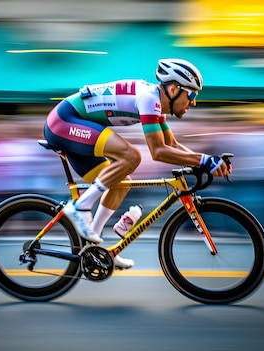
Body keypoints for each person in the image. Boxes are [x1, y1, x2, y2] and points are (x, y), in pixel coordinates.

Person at [43, 58, 232, 269]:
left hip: (75, 126)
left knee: (121, 181)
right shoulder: (149, 99)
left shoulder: (157, 103)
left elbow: (171, 143)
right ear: (173, 88)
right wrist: (204, 160)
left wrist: (206, 162)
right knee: (132, 156)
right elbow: (158, 151)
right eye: (192, 95)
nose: (193, 102)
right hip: (63, 121)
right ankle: (80, 207)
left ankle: (95, 249)